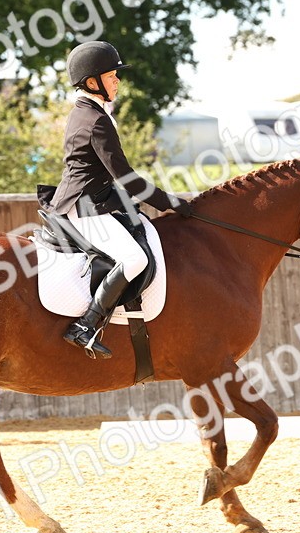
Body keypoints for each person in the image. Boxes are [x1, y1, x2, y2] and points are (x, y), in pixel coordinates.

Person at [47, 41, 192, 359]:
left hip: (95, 200)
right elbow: (126, 177)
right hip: (84, 207)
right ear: (91, 82)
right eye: (112, 76)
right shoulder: (95, 121)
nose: (118, 82)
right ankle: (86, 325)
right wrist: (172, 203)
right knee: (135, 259)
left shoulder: (88, 113)